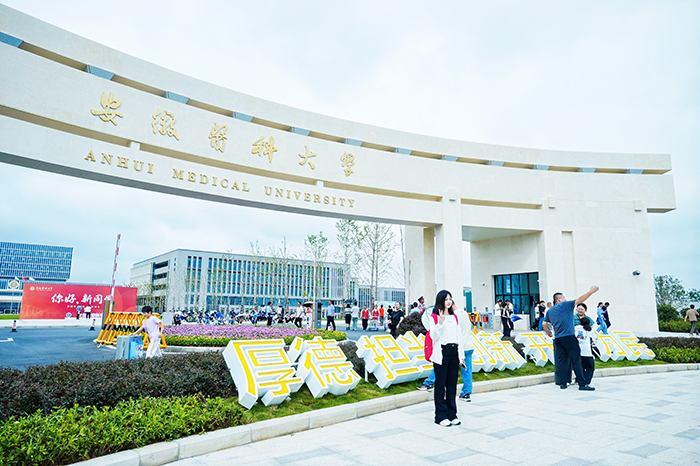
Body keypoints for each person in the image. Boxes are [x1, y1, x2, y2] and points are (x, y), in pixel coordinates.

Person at [543, 286, 598, 391]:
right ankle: (582, 384)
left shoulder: (550, 311)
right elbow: (580, 300)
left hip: (558, 339)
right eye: (564, 297)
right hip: (569, 337)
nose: (565, 299)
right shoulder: (565, 305)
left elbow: (544, 323)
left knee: (562, 361)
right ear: (559, 300)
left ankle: (563, 383)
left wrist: (548, 332)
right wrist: (591, 292)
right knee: (576, 360)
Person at [427, 290, 465, 426]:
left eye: (450, 299)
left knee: (452, 385)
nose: (448, 302)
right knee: (440, 385)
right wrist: (440, 323)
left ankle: (452, 414)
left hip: (454, 351)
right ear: (440, 301)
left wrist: (461, 356)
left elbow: (459, 337)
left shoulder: (454, 317)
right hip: (442, 352)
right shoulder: (434, 317)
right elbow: (433, 337)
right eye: (446, 299)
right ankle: (440, 416)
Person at [456, 305, 475, 402]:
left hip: (460, 347)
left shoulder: (453, 315)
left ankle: (429, 382)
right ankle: (466, 393)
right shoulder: (464, 313)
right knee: (467, 371)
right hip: (469, 345)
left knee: (443, 365)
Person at [575, 316, 595, 386]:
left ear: (580, 322)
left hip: (577, 350)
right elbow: (595, 338)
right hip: (587, 352)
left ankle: (579, 380)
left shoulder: (576, 328)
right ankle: (586, 381)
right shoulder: (589, 330)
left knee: (581, 367)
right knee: (590, 367)